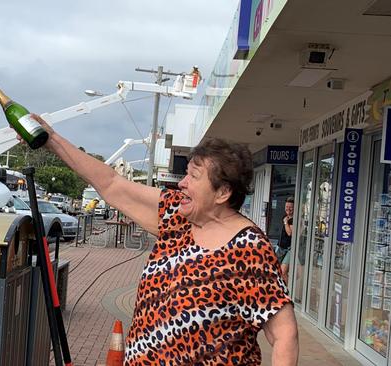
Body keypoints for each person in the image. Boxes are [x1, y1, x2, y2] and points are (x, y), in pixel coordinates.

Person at [22, 114, 298, 365]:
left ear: (223, 192)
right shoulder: (176, 216)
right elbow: (110, 184)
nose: (182, 183)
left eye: (193, 177)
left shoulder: (250, 248)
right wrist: (53, 140)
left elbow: (284, 335)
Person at [277, 197, 294, 283]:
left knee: (283, 271)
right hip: (281, 247)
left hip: (289, 249)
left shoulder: (293, 219)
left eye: (290, 207)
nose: (288, 209)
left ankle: (286, 292)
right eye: (287, 206)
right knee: (278, 269)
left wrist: (285, 222)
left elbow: (290, 233)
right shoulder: (285, 217)